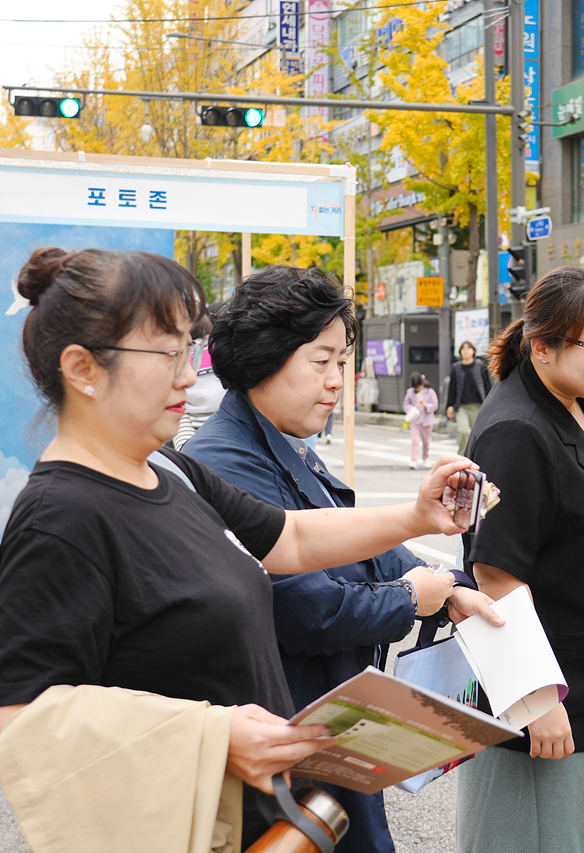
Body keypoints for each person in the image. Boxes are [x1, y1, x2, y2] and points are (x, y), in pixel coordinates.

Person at [0, 248, 480, 848]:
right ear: (83, 369)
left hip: (263, 818)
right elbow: (19, 721)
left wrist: (415, 517)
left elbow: (293, 537)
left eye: (188, 351)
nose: (188, 375)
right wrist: (212, 734)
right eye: (167, 352)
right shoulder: (60, 518)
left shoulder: (170, 472)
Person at [182, 265, 500, 853]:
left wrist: (450, 587)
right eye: (320, 360)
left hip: (328, 725)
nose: (336, 381)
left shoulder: (279, 446)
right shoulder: (226, 462)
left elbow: (365, 547)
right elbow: (308, 608)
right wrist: (411, 598)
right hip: (283, 730)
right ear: (262, 358)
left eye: (341, 362)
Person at [456, 267, 584, 853]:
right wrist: (536, 699)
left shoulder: (581, 400)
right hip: (547, 697)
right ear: (541, 346)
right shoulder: (515, 429)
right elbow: (496, 573)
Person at [172, 301, 225, 451]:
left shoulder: (178, 357)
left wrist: (184, 446)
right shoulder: (221, 352)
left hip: (195, 433)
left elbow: (182, 416)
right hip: (226, 426)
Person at [446, 340, 492, 452]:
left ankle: (474, 456)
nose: (466, 351)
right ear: (460, 352)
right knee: (464, 431)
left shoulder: (480, 366)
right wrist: (450, 406)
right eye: (463, 349)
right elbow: (452, 389)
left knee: (476, 433)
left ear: (473, 351)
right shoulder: (456, 368)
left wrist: (491, 404)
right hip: (461, 407)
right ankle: (463, 456)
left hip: (478, 406)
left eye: (468, 348)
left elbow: (487, 386)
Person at [404, 372, 439, 470]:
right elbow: (406, 404)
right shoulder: (410, 392)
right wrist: (411, 410)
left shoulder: (430, 392)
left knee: (426, 441)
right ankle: (414, 460)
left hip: (427, 421)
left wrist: (426, 406)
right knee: (415, 441)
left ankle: (425, 458)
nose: (417, 389)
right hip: (415, 421)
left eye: (418, 386)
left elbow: (435, 405)